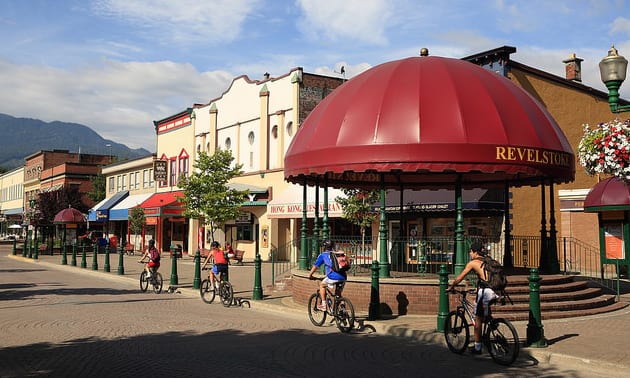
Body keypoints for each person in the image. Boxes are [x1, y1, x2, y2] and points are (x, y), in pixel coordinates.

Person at [447, 241, 499, 355]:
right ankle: (490, 326)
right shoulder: (489, 260)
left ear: (475, 252)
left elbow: (460, 277)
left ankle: (477, 347)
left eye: (470, 251)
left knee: (477, 320)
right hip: (496, 291)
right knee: (480, 307)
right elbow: (486, 278)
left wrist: (451, 287)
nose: (470, 254)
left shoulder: (473, 263)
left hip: (486, 292)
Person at [308, 239, 347, 311]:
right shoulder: (337, 254)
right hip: (343, 276)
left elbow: (315, 266)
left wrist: (310, 275)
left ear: (324, 247)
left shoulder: (323, 255)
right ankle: (343, 311)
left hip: (333, 276)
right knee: (338, 295)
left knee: (322, 285)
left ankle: (323, 305)